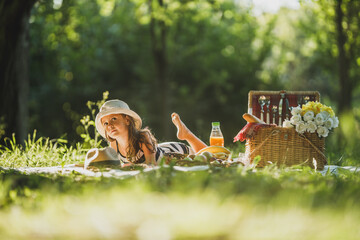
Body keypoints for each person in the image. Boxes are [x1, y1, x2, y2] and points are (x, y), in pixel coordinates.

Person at [95, 99, 207, 165]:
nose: (109, 125)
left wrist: (131, 168)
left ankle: (187, 134)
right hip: (159, 149)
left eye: (114, 119)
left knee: (211, 155)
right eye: (105, 123)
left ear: (127, 120)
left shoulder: (143, 137)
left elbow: (151, 165)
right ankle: (185, 134)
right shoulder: (114, 145)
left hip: (174, 152)